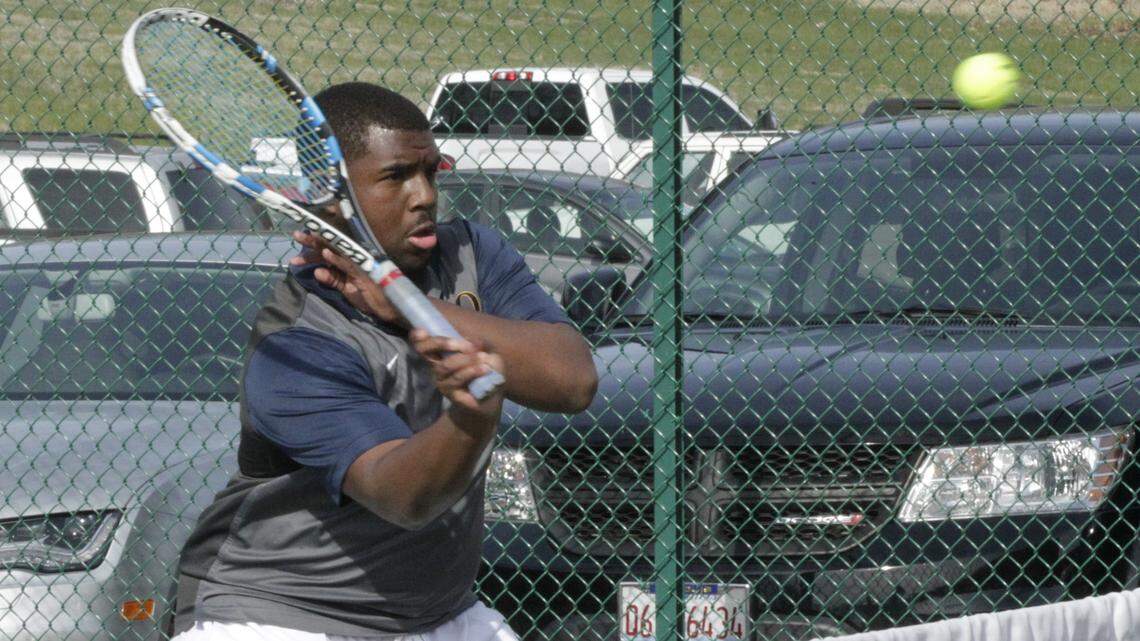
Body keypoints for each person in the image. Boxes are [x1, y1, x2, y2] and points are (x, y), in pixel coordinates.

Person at [170, 82, 598, 641]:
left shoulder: (471, 253)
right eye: (396, 176)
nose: (424, 196)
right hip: (277, 615)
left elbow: (573, 381)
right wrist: (471, 418)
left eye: (430, 172)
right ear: (329, 191)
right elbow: (404, 497)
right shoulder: (297, 340)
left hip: (437, 613)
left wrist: (411, 309)